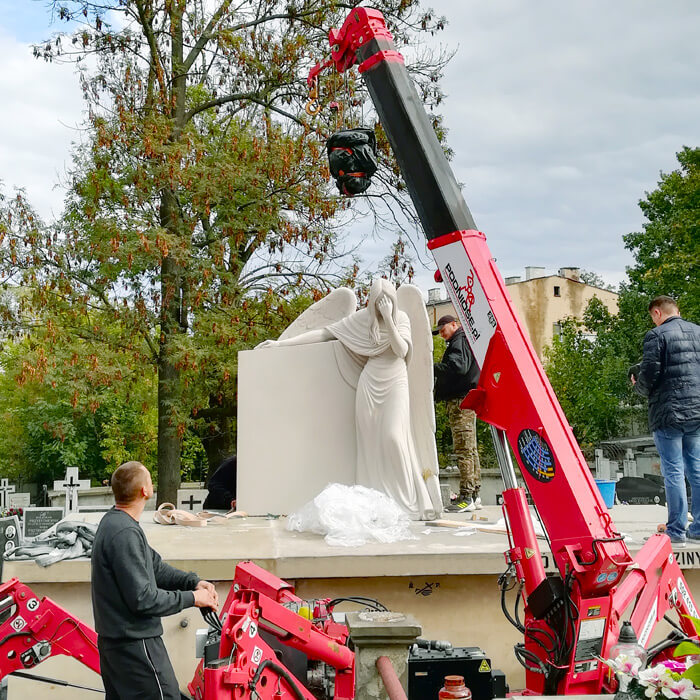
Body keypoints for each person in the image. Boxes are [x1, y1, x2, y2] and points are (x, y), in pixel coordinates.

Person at [257, 278, 442, 520]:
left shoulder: (402, 318)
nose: (381, 305)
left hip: (396, 381)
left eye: (386, 302)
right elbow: (325, 333)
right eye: (377, 303)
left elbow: (402, 350)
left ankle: (406, 503)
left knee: (393, 438)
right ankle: (376, 502)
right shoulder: (362, 320)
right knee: (369, 446)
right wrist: (282, 344)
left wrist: (388, 317)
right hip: (370, 382)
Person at [92, 461, 219, 699]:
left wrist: (192, 582)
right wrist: (194, 598)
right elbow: (144, 599)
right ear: (145, 491)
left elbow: (156, 567)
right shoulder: (124, 533)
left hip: (118, 646)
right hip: (135, 647)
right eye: (150, 479)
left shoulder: (115, 524)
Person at [632, 296, 700, 546]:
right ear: (678, 311)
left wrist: (638, 386)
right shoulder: (698, 332)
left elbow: (649, 373)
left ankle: (676, 530)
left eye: (653, 316)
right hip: (697, 411)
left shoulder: (657, 335)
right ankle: (699, 528)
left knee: (673, 471)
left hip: (669, 412)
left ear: (657, 313)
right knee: (696, 469)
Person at [433, 314, 481, 512]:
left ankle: (466, 497)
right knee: (470, 449)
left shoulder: (458, 341)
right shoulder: (462, 340)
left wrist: (432, 367)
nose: (442, 334)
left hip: (460, 403)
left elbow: (458, 367)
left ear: (455, 324)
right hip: (466, 401)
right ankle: (475, 494)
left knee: (463, 450)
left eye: (444, 329)